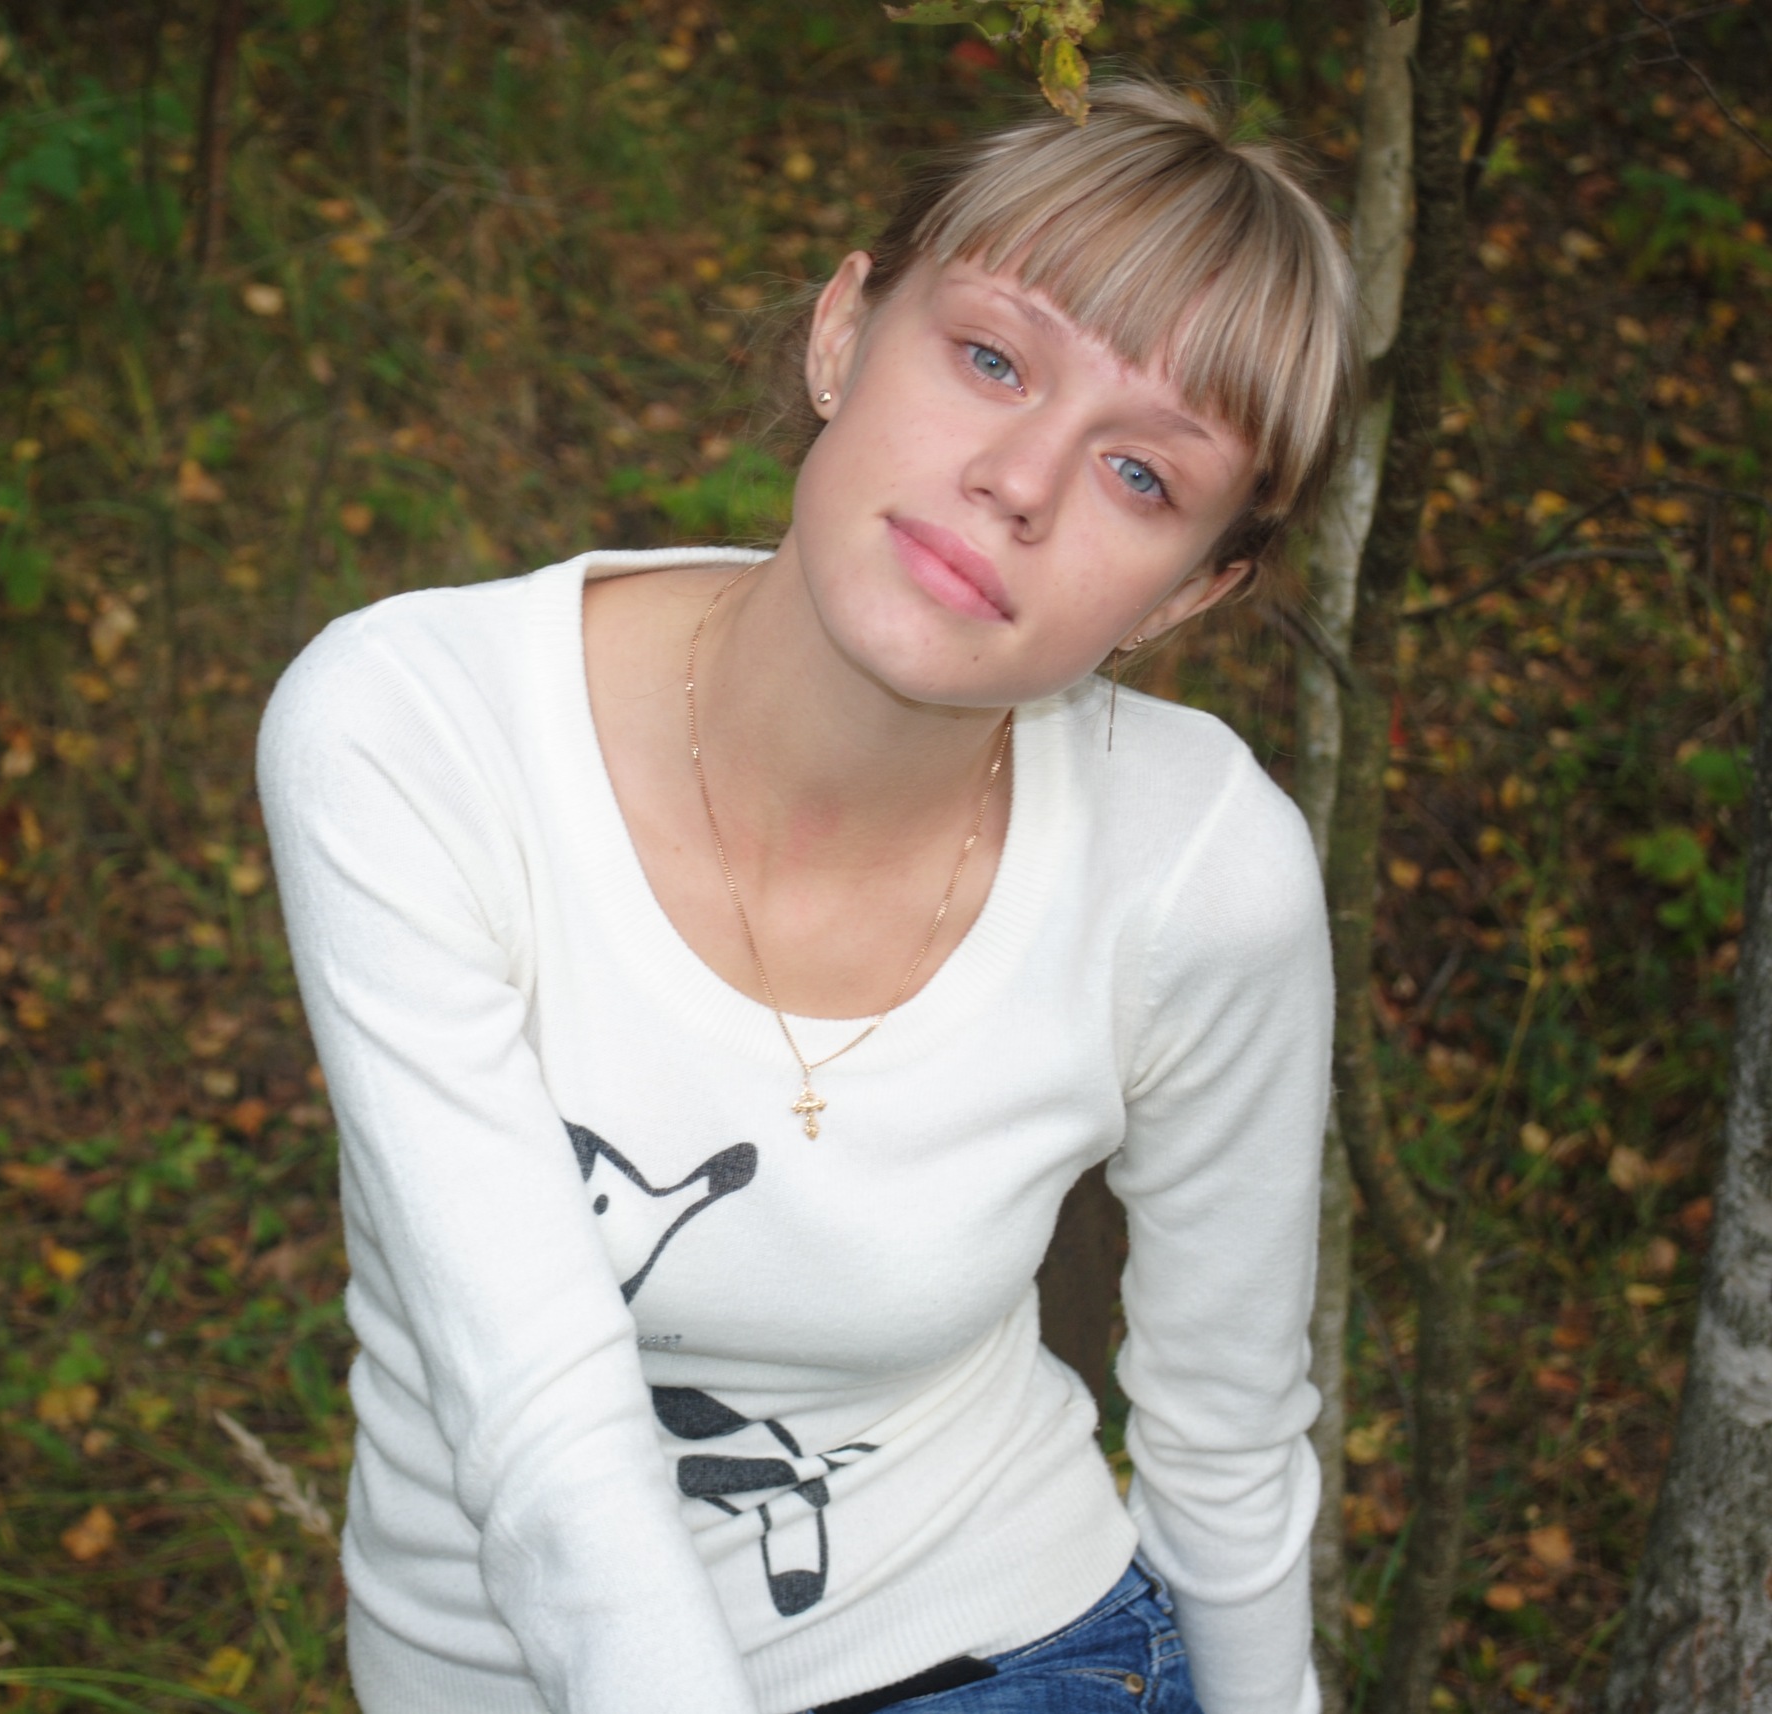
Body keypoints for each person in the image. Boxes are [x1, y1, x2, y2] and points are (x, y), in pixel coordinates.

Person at [258, 78, 1355, 1714]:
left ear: (1192, 590)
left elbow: (1228, 1435)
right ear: (845, 330)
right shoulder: (418, 725)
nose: (1022, 479)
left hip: (1013, 1653)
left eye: (1141, 473)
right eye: (993, 359)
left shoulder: (1200, 865)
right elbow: (544, 1425)